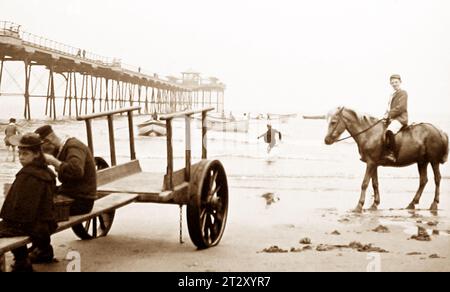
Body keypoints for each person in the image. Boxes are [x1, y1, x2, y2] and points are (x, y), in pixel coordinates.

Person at [0, 133, 57, 272]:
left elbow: (20, 210)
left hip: (33, 225)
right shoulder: (46, 171)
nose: (20, 157)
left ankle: (22, 261)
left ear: (36, 154)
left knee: (5, 227)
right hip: (46, 223)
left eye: (25, 154)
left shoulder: (27, 175)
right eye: (19, 153)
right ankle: (23, 260)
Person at [35, 125, 97, 216]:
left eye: (42, 149)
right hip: (70, 194)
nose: (42, 153)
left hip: (82, 201)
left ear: (48, 141)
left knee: (36, 210)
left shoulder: (74, 146)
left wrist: (54, 161)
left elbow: (77, 171)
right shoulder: (63, 148)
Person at [382, 74, 408, 163]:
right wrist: (385, 116)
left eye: (396, 82)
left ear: (400, 82)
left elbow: (401, 108)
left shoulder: (403, 93)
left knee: (389, 131)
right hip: (392, 118)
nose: (394, 84)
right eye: (392, 83)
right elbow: (389, 108)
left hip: (400, 118)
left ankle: (392, 154)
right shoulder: (392, 94)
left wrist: (389, 115)